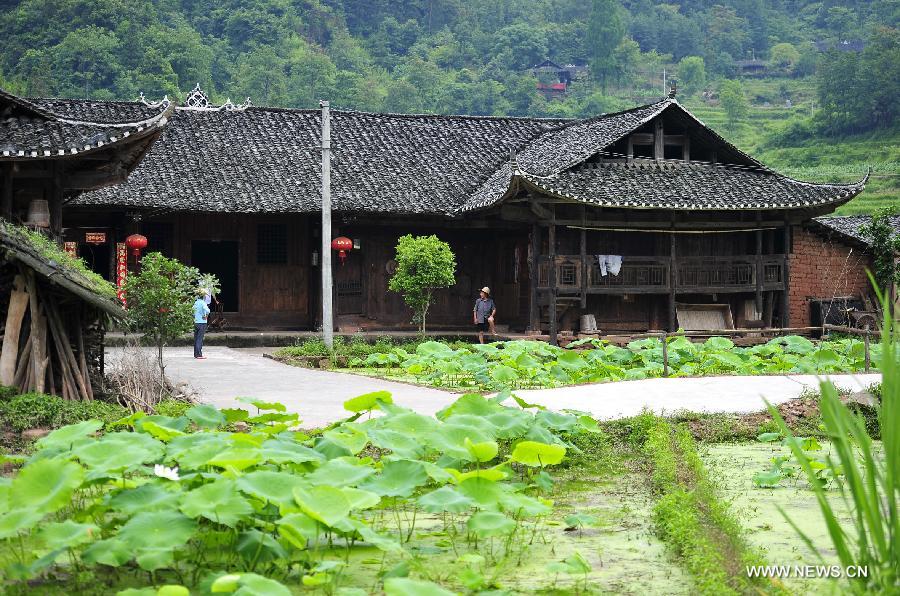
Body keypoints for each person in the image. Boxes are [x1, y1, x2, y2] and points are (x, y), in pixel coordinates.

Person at [193, 290, 210, 359]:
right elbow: (208, 310)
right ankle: (199, 354)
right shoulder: (203, 303)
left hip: (196, 322)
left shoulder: (196, 303)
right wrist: (206, 315)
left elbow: (192, 312)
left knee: (196, 338)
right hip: (202, 322)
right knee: (200, 339)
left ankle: (196, 354)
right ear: (203, 297)